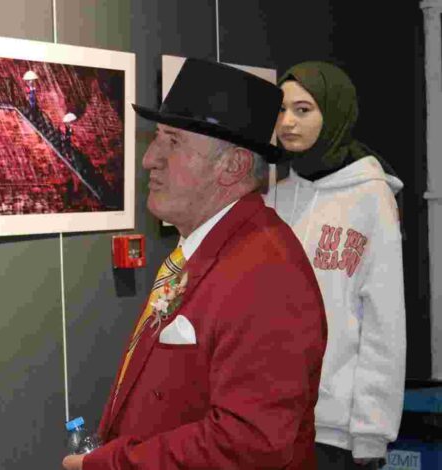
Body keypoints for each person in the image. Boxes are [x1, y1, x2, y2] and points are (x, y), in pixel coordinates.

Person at [62, 58, 327, 470]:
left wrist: (112, 464)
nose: (150, 159)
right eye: (157, 140)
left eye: (173, 142)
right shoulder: (204, 250)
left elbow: (248, 444)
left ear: (234, 166)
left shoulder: (267, 272)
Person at [268, 61, 406, 470]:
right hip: (273, 420)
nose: (287, 121)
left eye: (303, 109)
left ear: (334, 113)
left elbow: (384, 321)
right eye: (281, 109)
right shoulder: (275, 197)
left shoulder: (371, 197)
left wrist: (371, 433)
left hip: (338, 430)